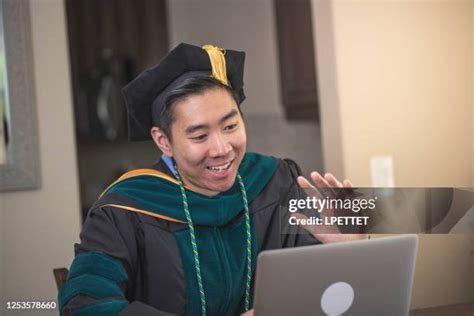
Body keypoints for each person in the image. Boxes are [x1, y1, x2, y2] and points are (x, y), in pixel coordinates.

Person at [58, 43, 365, 316]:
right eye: (200, 135)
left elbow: (318, 291)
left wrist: (349, 250)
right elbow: (84, 304)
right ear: (163, 140)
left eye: (230, 127)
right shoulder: (122, 210)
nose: (221, 149)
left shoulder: (277, 179)